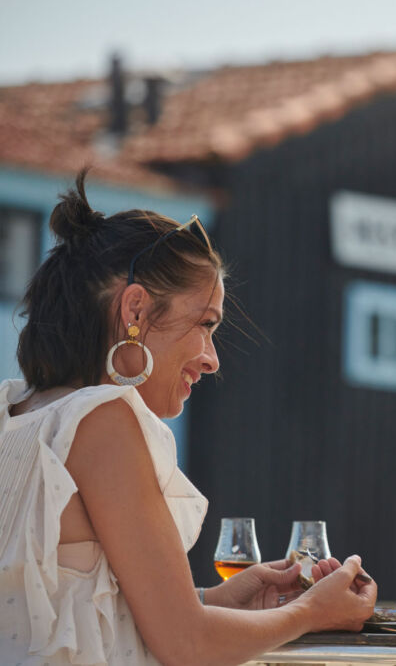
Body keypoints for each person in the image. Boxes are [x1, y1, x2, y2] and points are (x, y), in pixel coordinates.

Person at [0, 172, 376, 666]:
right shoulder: (102, 419)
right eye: (205, 324)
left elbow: (67, 615)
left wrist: (218, 600)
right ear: (135, 308)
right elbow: (187, 645)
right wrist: (310, 611)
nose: (212, 358)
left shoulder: (17, 411)